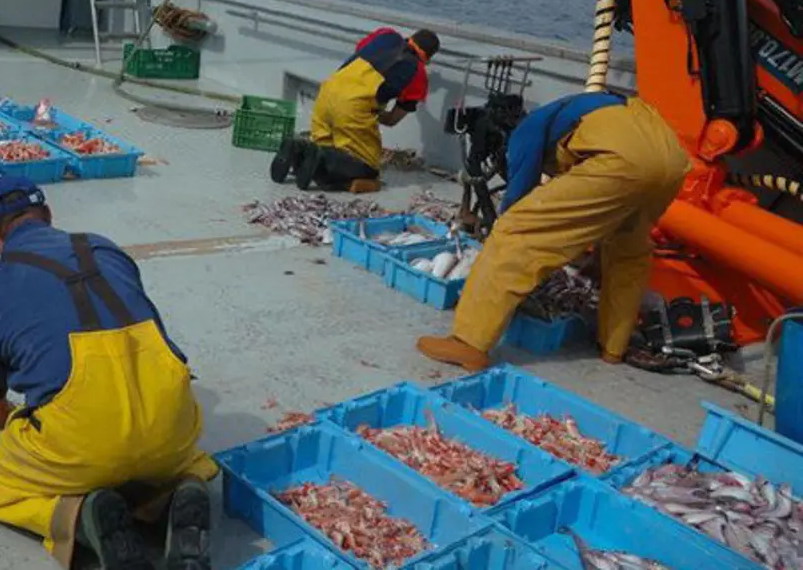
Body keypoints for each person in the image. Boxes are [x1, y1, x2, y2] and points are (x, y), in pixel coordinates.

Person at [0, 176, 218, 570]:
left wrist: (40, 422)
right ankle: (175, 493)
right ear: (48, 214)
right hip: (169, 417)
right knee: (171, 457)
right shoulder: (104, 248)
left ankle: (78, 517)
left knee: (3, 488)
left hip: (82, 437)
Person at [416, 92, 691, 371]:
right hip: (672, 162)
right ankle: (614, 346)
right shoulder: (583, 110)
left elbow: (518, 195)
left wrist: (506, 220)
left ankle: (468, 342)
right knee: (628, 250)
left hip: (623, 160)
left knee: (516, 233)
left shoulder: (527, 129)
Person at [270, 27, 440, 192]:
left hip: (328, 91)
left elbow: (360, 51)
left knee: (327, 145)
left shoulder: (386, 34)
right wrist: (373, 111)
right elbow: (391, 120)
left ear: (411, 38)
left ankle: (298, 149)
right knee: (368, 170)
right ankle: (321, 160)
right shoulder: (418, 75)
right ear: (427, 58)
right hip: (353, 107)